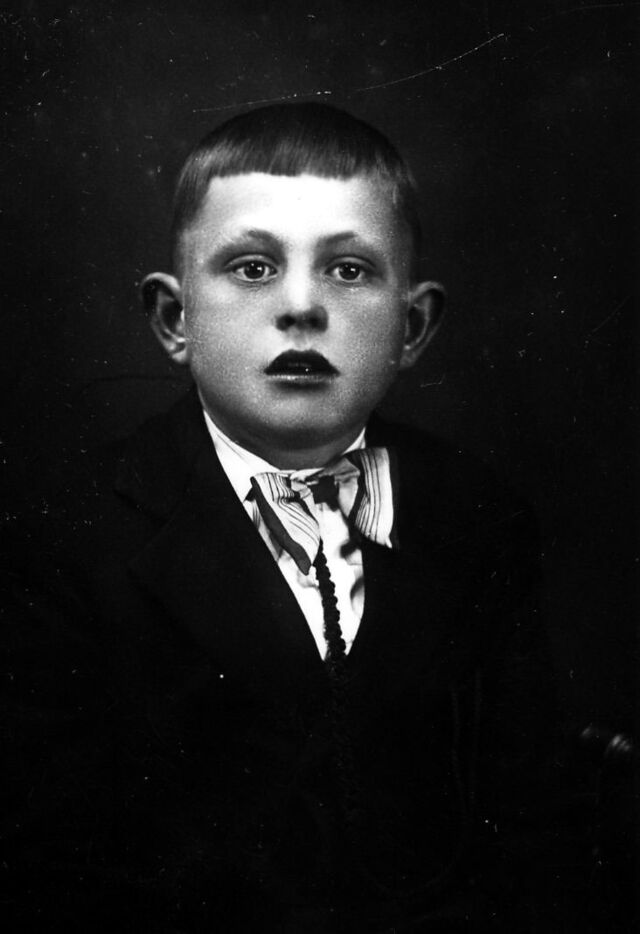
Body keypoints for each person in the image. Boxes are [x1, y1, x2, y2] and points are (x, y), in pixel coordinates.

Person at [2, 103, 554, 932]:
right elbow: (48, 869)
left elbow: (537, 828)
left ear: (412, 326)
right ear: (175, 319)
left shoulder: (480, 515)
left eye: (349, 270)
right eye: (253, 267)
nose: (302, 307)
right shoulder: (67, 536)